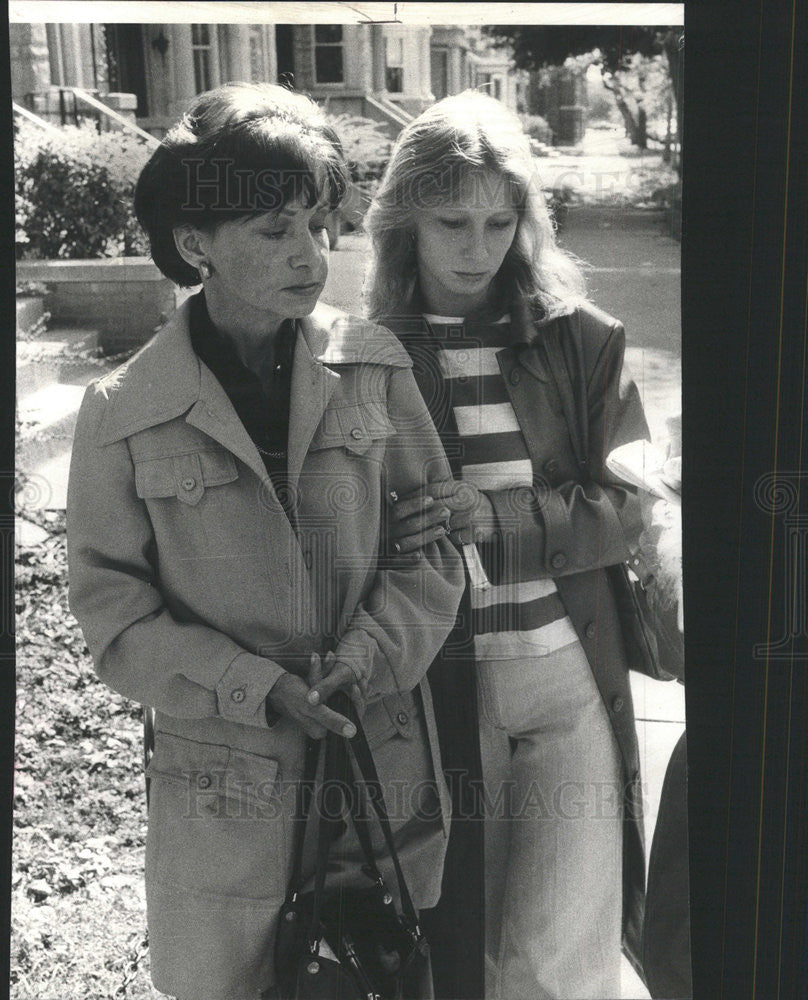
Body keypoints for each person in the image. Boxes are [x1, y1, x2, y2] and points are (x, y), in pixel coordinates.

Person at [66, 82, 464, 1000]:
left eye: (319, 226)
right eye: (275, 230)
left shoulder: (372, 366)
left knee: (373, 974)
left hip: (371, 754)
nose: (310, 255)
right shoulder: (122, 413)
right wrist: (257, 686)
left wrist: (364, 658)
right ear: (195, 244)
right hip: (225, 787)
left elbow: (438, 548)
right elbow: (114, 618)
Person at [365, 90, 650, 1000]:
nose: (476, 247)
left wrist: (498, 518)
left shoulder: (582, 341)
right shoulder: (357, 354)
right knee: (464, 950)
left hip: (567, 673)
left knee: (563, 949)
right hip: (440, 683)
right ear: (403, 218)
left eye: (499, 220)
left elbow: (631, 505)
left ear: (527, 223)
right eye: (451, 220)